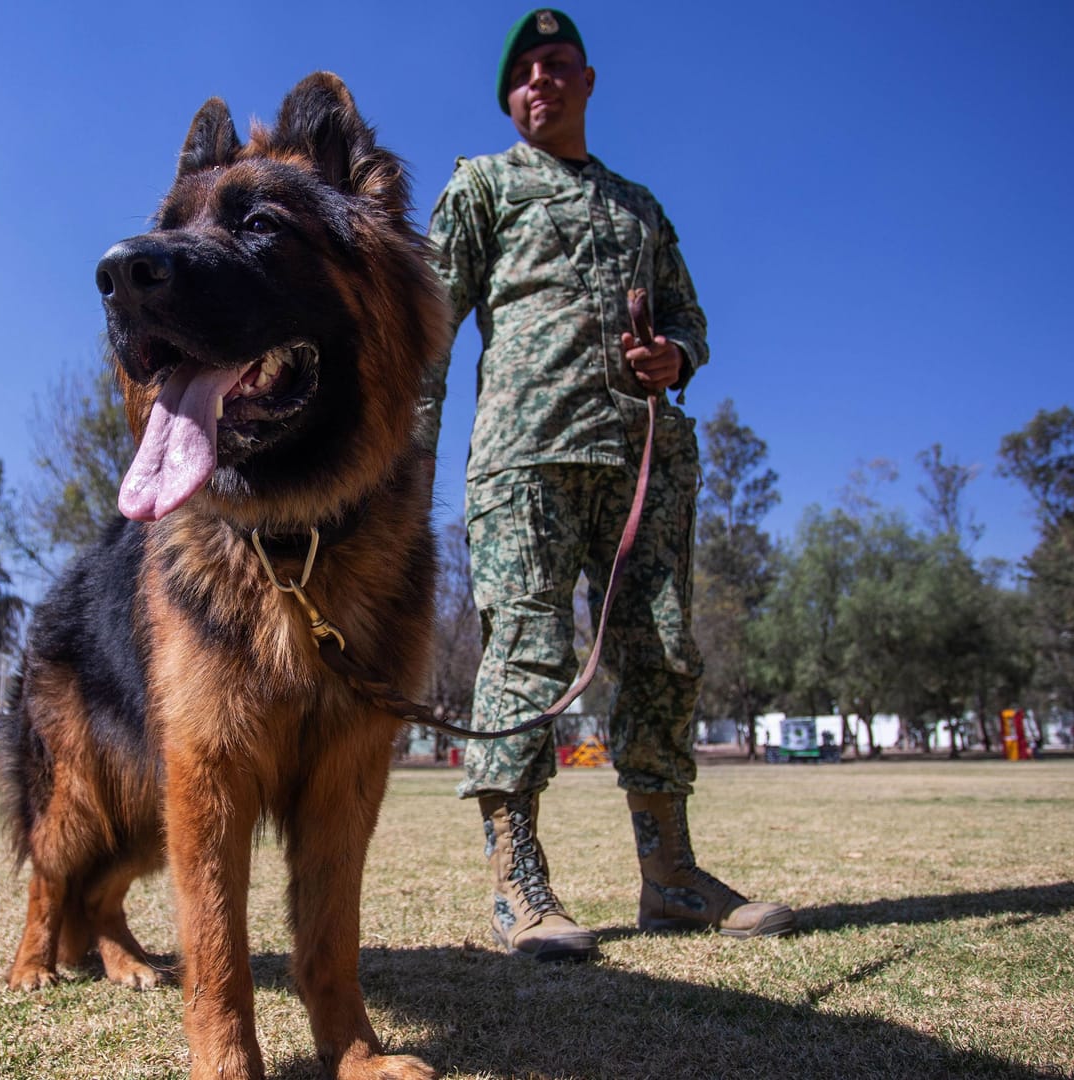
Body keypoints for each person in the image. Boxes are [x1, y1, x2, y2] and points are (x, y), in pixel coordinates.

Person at [418, 8, 794, 961]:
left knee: (663, 658)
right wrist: (401, 463)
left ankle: (668, 876)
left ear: (589, 80)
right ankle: (520, 887)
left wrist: (676, 354)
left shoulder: (640, 208)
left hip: (645, 465)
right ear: (510, 101)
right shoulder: (484, 188)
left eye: (555, 65)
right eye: (522, 75)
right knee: (526, 658)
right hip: (526, 460)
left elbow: (692, 323)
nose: (537, 82)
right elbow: (424, 329)